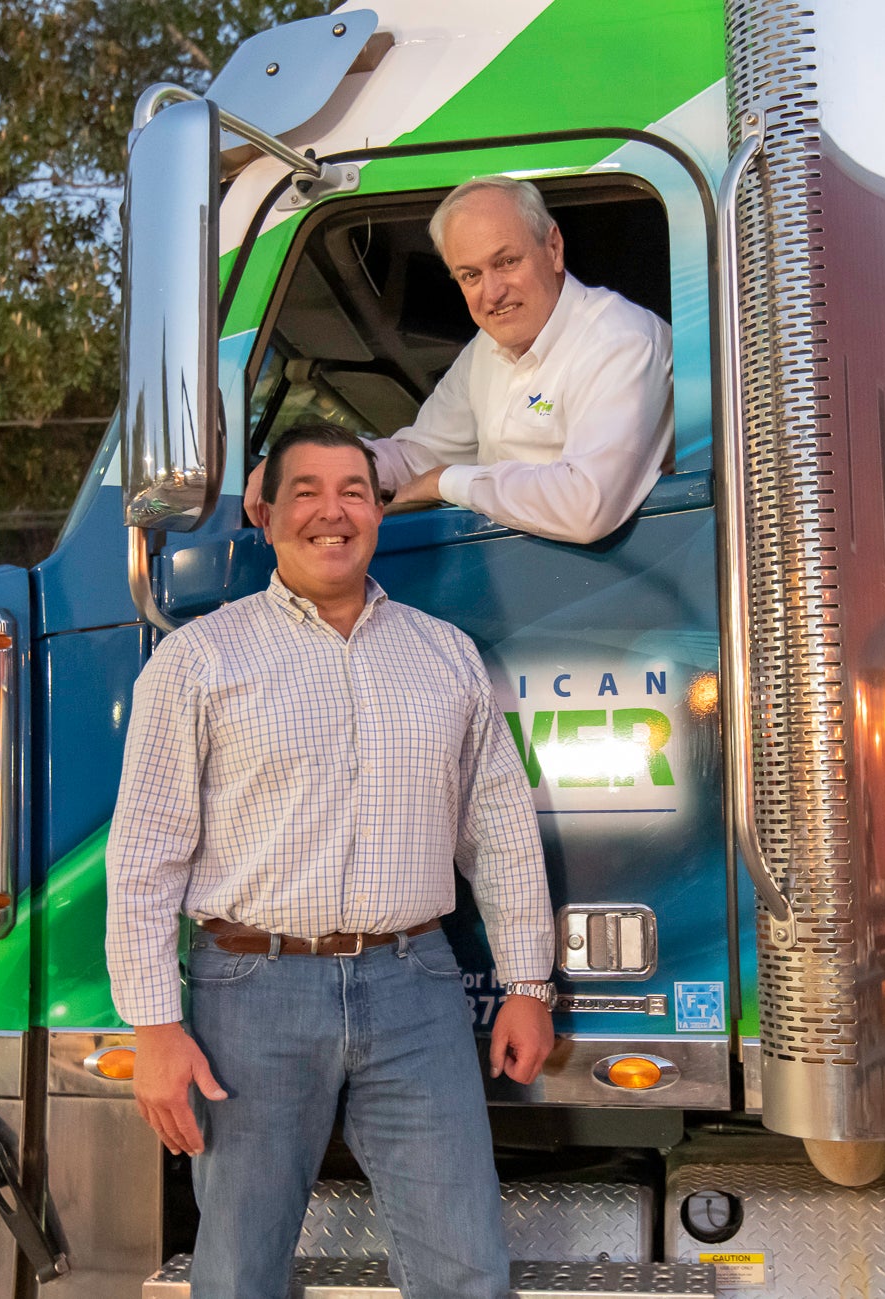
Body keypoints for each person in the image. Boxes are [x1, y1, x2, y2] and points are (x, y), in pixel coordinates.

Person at [107, 422, 557, 1299]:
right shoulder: (198, 660)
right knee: (239, 1272)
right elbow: (144, 856)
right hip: (251, 992)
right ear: (263, 512)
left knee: (467, 1270)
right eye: (305, 490)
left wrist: (528, 985)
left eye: (353, 489)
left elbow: (497, 829)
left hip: (415, 987)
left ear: (378, 512)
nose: (331, 511)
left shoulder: (445, 656)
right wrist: (155, 1027)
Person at [246, 174, 673, 546]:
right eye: (470, 275)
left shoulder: (619, 339)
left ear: (554, 248)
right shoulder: (485, 349)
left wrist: (444, 482)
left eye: (506, 262)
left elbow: (586, 505)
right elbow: (419, 455)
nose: (492, 293)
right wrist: (318, 465)